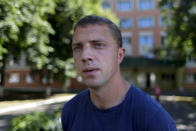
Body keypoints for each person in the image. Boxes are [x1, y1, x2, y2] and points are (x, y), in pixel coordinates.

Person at [61, 15, 177, 131]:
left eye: (98, 45)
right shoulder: (71, 111)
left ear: (119, 55)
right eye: (77, 48)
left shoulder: (154, 119)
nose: (85, 56)